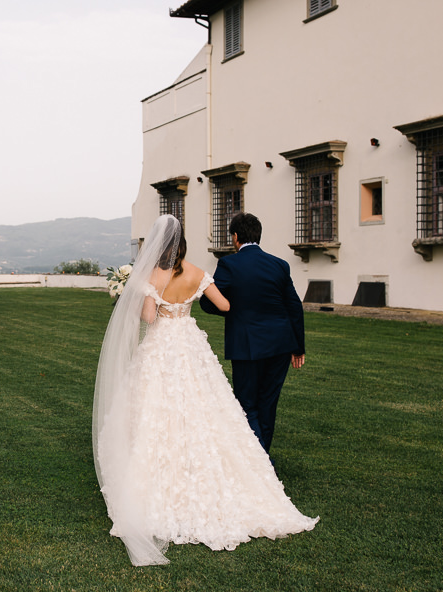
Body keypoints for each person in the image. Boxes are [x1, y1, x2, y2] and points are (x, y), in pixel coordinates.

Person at [93, 214, 317, 567]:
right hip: (190, 342)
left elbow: (150, 318)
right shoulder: (196, 271)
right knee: (207, 405)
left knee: (158, 406)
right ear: (181, 243)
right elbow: (225, 305)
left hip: (163, 344)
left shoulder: (151, 275)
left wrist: (137, 296)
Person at [199, 212, 305, 457]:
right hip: (280, 345)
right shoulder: (280, 264)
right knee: (268, 404)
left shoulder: (228, 264)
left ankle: (258, 465)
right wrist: (298, 347)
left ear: (236, 237)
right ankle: (263, 460)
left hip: (247, 345)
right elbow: (294, 306)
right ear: (258, 235)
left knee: (247, 405)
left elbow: (211, 303)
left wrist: (233, 311)